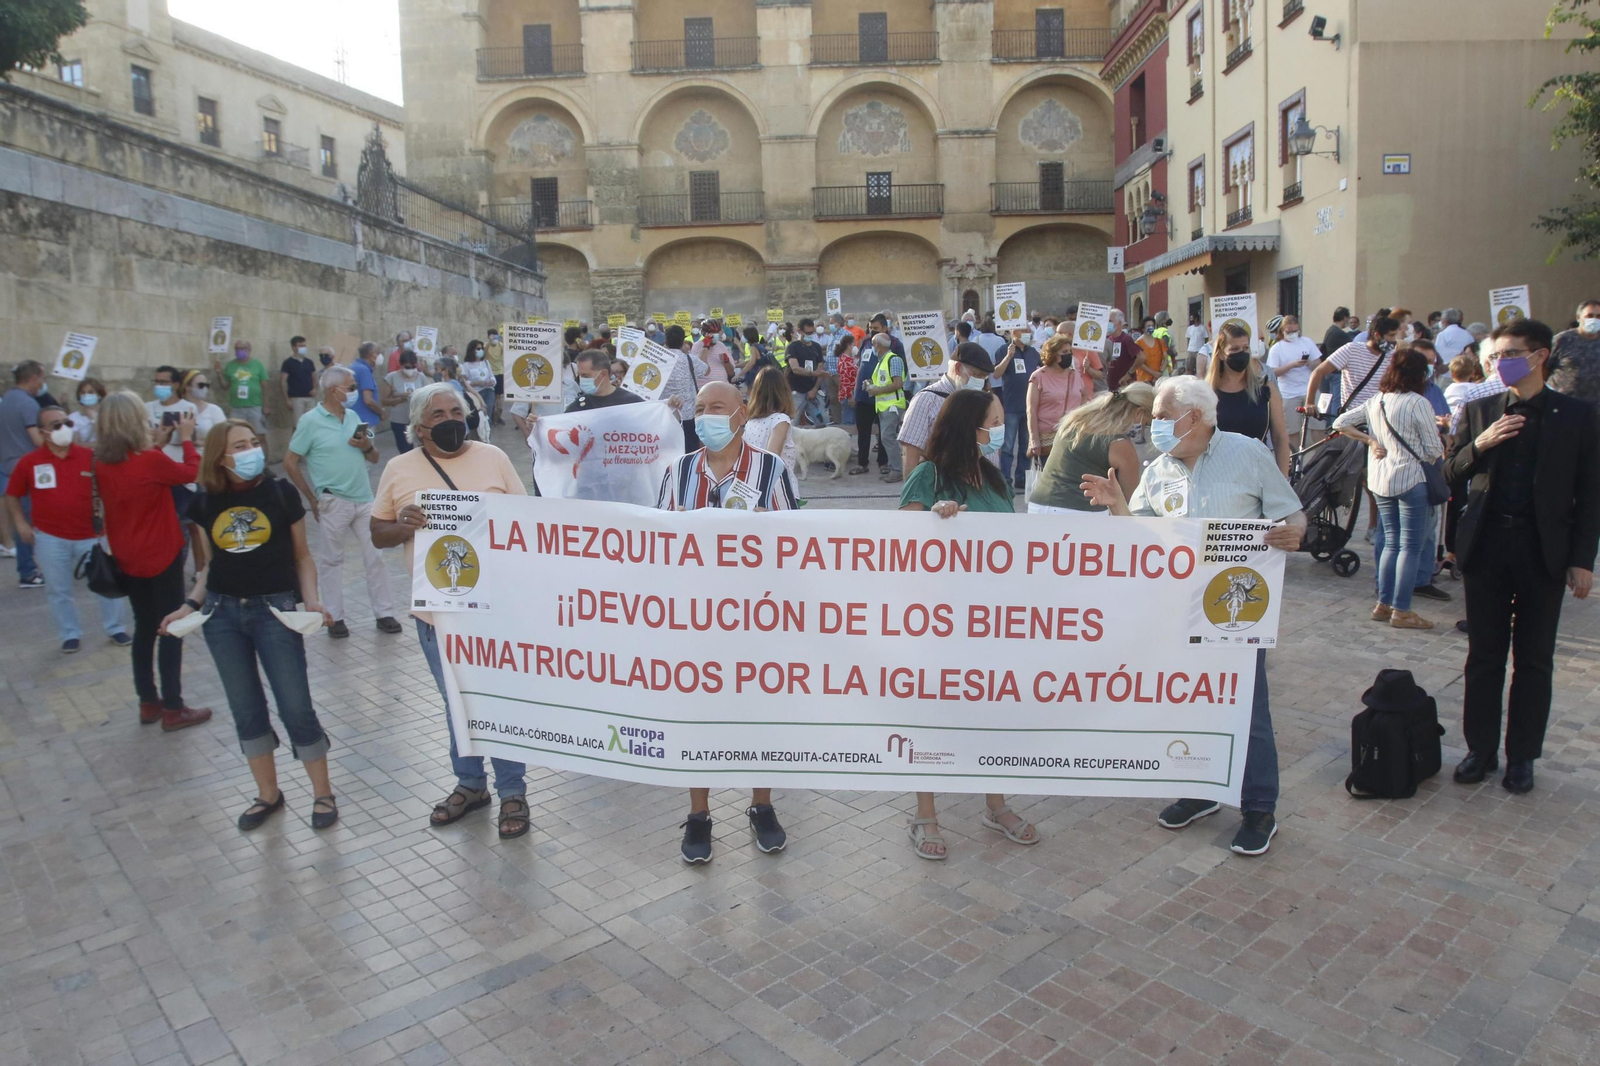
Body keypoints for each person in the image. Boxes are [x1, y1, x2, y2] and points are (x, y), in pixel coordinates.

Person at [1082, 377, 1306, 856]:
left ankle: (1259, 807)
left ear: (1196, 417)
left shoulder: (1248, 454)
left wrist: (1294, 533)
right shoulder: (1158, 470)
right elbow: (1141, 539)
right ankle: (1201, 790)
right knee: (1190, 702)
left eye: (1162, 417)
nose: (1154, 426)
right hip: (1176, 609)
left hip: (1235, 611)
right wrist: (1117, 505)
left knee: (1248, 709)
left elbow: (1291, 513)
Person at [1444, 319, 1599, 794]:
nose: (1499, 363)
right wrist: (1481, 443)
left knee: (1534, 659)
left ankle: (1523, 757)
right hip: (1488, 546)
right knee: (1484, 656)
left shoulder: (1577, 415)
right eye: (1494, 356)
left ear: (1539, 356)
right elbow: (1449, 474)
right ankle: (1480, 750)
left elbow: (1590, 493)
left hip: (1542, 550)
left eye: (1508, 354)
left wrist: (1582, 560)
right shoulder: (1481, 408)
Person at [371, 383, 532, 837]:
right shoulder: (399, 469)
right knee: (455, 702)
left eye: (456, 412)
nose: (450, 421)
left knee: (498, 701)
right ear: (419, 427)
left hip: (495, 607)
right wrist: (402, 526)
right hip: (437, 614)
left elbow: (529, 523)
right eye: (438, 415)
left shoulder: (493, 458)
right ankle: (470, 784)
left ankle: (512, 790)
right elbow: (377, 532)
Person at [161, 419, 338, 831]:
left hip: (274, 611)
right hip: (221, 615)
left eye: (254, 443)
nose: (250, 451)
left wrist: (311, 599)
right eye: (239, 446)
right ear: (220, 457)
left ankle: (323, 793)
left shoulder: (280, 493)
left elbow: (302, 556)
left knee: (295, 706)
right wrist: (188, 606)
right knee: (246, 708)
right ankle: (268, 794)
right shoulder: (205, 502)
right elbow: (209, 566)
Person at [897, 388, 1041, 859]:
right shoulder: (928, 476)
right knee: (931, 716)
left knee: (990, 714)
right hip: (938, 623)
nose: (1001, 430)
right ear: (968, 427)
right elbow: (900, 546)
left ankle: (995, 806)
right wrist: (936, 522)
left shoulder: (995, 479)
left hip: (991, 621)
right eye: (993, 422)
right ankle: (925, 814)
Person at [656, 380, 796, 863]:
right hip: (695, 620)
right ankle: (699, 815)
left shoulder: (770, 469)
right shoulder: (678, 471)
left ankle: (762, 806)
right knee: (697, 716)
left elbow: (796, 542)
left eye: (717, 406)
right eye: (699, 408)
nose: (706, 416)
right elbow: (656, 543)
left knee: (761, 713)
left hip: (758, 618)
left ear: (741, 413)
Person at [93, 392, 212, 732]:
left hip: (126, 556)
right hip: (161, 553)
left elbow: (138, 476)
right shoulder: (149, 460)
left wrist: (158, 445)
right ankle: (174, 707)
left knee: (145, 628)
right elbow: (193, 471)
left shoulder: (101, 463)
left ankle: (148, 701)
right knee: (171, 627)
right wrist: (186, 439)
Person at [1331, 348, 1446, 630]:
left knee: (1391, 543)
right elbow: (1434, 449)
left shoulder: (1377, 400)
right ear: (1419, 374)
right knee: (1410, 547)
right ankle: (1402, 610)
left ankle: (1383, 603)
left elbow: (1340, 422)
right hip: (1411, 479)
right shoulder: (1418, 402)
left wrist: (1370, 440)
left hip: (1381, 480)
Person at [284, 365, 401, 639]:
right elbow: (290, 461)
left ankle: (384, 613)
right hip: (333, 499)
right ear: (332, 390)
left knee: (376, 558)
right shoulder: (310, 421)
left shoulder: (354, 417)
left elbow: (374, 457)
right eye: (350, 387)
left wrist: (366, 446)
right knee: (332, 560)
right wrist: (311, 497)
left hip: (364, 498)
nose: (354, 392)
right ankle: (335, 617)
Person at [5, 405, 129, 652]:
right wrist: (20, 523)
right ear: (43, 432)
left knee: (107, 581)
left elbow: (111, 489)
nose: (64, 429)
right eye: (56, 425)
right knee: (58, 589)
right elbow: (12, 494)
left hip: (91, 536)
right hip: (50, 537)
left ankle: (116, 628)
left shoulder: (90, 458)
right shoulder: (30, 462)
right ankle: (69, 633)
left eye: (67, 423)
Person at [1027, 382, 1154, 513]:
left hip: (1038, 505)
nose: (1145, 430)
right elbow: (1132, 501)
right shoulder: (1120, 445)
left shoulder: (1074, 421)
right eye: (1147, 423)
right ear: (1139, 413)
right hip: (1081, 510)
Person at [898, 342, 993, 478]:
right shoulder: (926, 400)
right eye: (977, 375)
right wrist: (912, 489)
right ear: (958, 368)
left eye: (984, 377)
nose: (981, 382)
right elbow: (911, 453)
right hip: (942, 485)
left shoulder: (982, 400)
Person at [1209, 324, 1291, 475]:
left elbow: (1280, 437)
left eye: (1245, 348)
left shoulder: (1265, 388)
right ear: (1220, 354)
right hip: (1219, 473)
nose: (1242, 353)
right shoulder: (1208, 393)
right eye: (1234, 349)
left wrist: (1283, 478)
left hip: (1258, 472)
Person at [1, 361, 48, 587]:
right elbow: (37, 439)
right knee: (29, 521)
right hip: (28, 469)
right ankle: (29, 570)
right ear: (33, 378)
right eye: (42, 378)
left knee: (21, 519)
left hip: (8, 467)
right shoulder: (27, 403)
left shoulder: (6, 400)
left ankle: (28, 568)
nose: (42, 384)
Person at [1304, 314, 1399, 421]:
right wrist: (1309, 403)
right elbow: (1318, 372)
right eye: (1391, 335)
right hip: (1354, 418)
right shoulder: (1351, 350)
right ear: (1377, 335)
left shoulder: (1392, 356)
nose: (1394, 340)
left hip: (1380, 417)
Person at [994, 328, 1041, 490]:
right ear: (1015, 333)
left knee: (1026, 446)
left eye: (1028, 330)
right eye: (1024, 331)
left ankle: (1021, 479)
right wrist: (1008, 357)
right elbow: (996, 374)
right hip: (1011, 406)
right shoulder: (1003, 350)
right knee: (1007, 446)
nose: (1028, 333)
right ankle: (1005, 480)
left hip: (1030, 407)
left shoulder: (1033, 352)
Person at [862, 333, 910, 482]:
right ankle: (895, 468)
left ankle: (898, 470)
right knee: (887, 438)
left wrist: (878, 390)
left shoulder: (893, 360)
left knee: (888, 437)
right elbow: (883, 382)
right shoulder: (882, 361)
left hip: (892, 405)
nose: (872, 347)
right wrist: (870, 385)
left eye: (873, 344)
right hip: (884, 406)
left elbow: (897, 383)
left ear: (878, 345)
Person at [1265, 315, 1322, 440]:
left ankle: (1320, 451)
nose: (1293, 334)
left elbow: (1319, 364)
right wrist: (1291, 365)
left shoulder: (1307, 342)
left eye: (1295, 331)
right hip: (1289, 394)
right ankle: (1294, 453)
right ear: (1282, 331)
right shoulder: (1276, 348)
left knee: (1318, 426)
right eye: (1289, 332)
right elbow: (1272, 372)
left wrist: (1310, 363)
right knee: (1292, 431)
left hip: (1310, 390)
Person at [742, 367, 800, 483]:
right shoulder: (780, 420)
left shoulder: (750, 422)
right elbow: (772, 457)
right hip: (777, 485)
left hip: (753, 481)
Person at [661, 325, 708, 451]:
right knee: (690, 452)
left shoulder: (658, 360)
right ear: (683, 342)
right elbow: (706, 370)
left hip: (665, 415)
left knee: (667, 452)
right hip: (688, 415)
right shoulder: (690, 359)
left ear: (666, 341)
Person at [1548, 298, 1600, 404]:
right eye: (1589, 316)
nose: (1594, 320)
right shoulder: (1561, 340)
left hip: (1596, 406)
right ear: (1578, 318)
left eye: (1598, 316)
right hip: (1565, 404)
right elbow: (1543, 369)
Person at [216, 340, 270, 439]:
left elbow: (265, 386)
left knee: (259, 436)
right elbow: (225, 386)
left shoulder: (257, 364)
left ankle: (262, 450)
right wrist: (219, 374)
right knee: (236, 435)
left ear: (249, 349)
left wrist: (266, 406)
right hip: (236, 407)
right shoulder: (230, 365)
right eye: (237, 349)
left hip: (255, 406)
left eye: (242, 348)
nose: (239, 351)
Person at [567, 348, 643, 412]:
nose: (582, 380)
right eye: (580, 375)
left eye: (586, 376)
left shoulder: (631, 402)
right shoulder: (578, 406)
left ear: (603, 374)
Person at [380, 349, 426, 454]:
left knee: (423, 449)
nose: (410, 370)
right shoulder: (391, 377)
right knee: (405, 450)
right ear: (401, 365)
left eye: (413, 367)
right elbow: (384, 401)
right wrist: (401, 398)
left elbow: (427, 396)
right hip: (400, 420)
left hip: (418, 419)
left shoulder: (421, 377)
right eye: (407, 367)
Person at [785, 319, 828, 426]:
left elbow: (820, 369)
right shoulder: (792, 347)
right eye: (808, 333)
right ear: (800, 331)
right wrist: (813, 373)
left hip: (813, 391)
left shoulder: (816, 347)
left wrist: (814, 389)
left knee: (823, 421)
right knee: (792, 423)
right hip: (796, 391)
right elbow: (795, 368)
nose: (810, 335)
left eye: (812, 332)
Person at [280, 336, 318, 425]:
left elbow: (314, 377)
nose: (303, 348)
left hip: (309, 397)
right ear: (294, 347)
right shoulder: (288, 363)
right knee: (298, 424)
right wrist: (287, 400)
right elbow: (283, 382)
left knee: (311, 423)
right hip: (296, 398)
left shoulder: (309, 362)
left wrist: (315, 388)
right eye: (300, 346)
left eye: (304, 346)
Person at [1133, 316, 1169, 383]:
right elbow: (1139, 362)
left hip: (1158, 379)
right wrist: (1153, 373)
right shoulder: (1138, 343)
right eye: (1148, 326)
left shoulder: (1160, 342)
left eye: (1152, 326)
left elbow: (1165, 359)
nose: (1151, 327)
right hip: (1143, 379)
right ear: (1143, 329)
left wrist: (1160, 372)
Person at [484, 326, 507, 425]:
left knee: (498, 396)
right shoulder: (486, 345)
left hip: (499, 372)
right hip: (490, 374)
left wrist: (503, 341)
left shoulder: (500, 345)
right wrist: (489, 343)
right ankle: (492, 416)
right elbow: (484, 354)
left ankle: (498, 416)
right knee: (491, 396)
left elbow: (505, 352)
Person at [1184, 311, 1211, 376]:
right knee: (1189, 369)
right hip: (1191, 351)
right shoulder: (1189, 328)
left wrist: (1202, 346)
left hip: (1199, 351)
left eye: (1192, 318)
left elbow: (1206, 338)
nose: (1191, 320)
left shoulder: (1203, 328)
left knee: (1199, 369)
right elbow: (1188, 338)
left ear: (1196, 318)